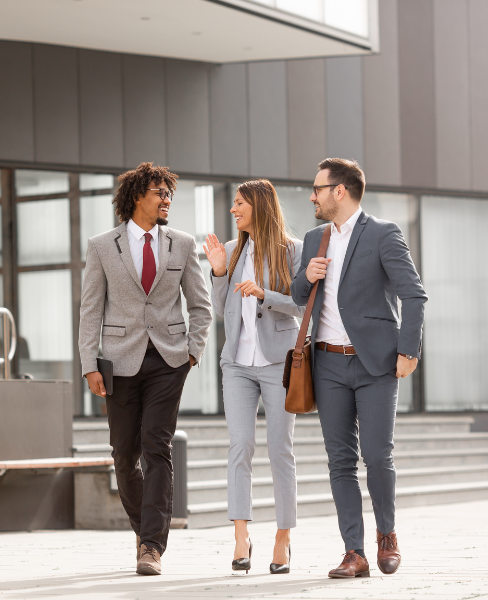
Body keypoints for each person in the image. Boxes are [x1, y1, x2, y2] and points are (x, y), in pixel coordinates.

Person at [290, 158, 427, 579]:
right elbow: (297, 296)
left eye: (317, 188)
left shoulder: (383, 234)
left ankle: (387, 536)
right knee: (339, 461)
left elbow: (414, 296)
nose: (311, 195)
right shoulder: (315, 237)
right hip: (327, 362)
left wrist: (409, 351)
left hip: (375, 364)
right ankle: (354, 551)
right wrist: (307, 275)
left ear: (340, 191)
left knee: (378, 455)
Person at [79, 162, 212, 576]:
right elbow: (90, 310)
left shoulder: (183, 243)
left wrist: (193, 352)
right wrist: (89, 364)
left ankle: (152, 545)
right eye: (160, 193)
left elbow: (201, 305)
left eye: (169, 193)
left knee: (157, 445)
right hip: (119, 360)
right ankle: (144, 529)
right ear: (138, 196)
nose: (167, 199)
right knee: (124, 456)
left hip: (169, 360)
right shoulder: (103, 245)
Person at [203, 180, 304, 575]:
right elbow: (219, 309)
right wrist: (218, 272)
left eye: (239, 203)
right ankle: (241, 536)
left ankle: (283, 538)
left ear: (259, 206)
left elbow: (300, 305)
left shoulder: (291, 250)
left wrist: (265, 295)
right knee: (240, 445)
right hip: (237, 364)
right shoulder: (230, 249)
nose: (233, 209)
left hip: (278, 363)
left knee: (280, 450)